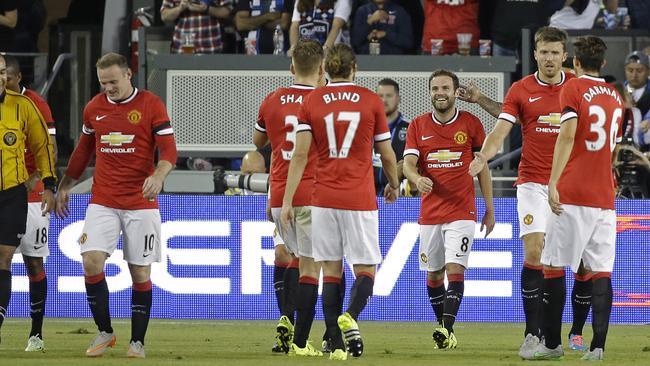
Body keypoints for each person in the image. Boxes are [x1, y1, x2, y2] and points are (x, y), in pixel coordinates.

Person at [463, 26, 595, 356]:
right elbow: (500, 131)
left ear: (565, 56)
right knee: (535, 253)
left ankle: (575, 331)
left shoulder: (578, 90)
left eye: (555, 52)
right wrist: (484, 156)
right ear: (534, 54)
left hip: (572, 186)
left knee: (580, 264)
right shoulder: (522, 90)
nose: (549, 58)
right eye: (543, 52)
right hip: (534, 183)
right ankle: (532, 333)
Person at [55, 53, 177, 358]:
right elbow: (83, 151)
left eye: (113, 81)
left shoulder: (151, 104)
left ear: (128, 75)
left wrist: (159, 174)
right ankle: (105, 331)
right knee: (90, 261)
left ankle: (137, 341)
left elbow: (169, 149)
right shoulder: (94, 108)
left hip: (141, 202)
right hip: (104, 200)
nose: (108, 88)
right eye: (102, 83)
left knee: (140, 272)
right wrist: (65, 184)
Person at [281, 44, 399, 360]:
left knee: (330, 271)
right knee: (366, 269)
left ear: (326, 70)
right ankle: (351, 317)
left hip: (322, 199)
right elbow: (386, 154)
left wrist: (289, 199)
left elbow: (301, 154)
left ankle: (335, 344)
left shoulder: (312, 101)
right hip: (358, 198)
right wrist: (394, 184)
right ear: (354, 68)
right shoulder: (371, 101)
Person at [531, 36, 622, 361]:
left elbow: (568, 135)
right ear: (605, 64)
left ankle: (552, 345)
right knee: (600, 273)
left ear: (576, 63)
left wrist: (553, 181)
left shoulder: (573, 88)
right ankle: (597, 348)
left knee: (553, 267)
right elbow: (611, 150)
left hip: (574, 193)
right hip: (604, 198)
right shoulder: (616, 96)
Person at [403, 69, 494, 349]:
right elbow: (407, 163)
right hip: (430, 213)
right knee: (433, 274)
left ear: (456, 92)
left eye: (444, 88)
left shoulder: (471, 123)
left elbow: (482, 168)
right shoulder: (418, 126)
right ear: (430, 93)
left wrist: (489, 207)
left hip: (462, 211)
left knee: (455, 269)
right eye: (434, 88)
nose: (439, 93)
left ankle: (445, 328)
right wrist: (417, 178)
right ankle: (446, 330)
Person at [254, 39, 327, 356]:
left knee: (290, 257)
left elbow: (259, 140)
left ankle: (285, 317)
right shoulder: (324, 102)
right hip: (314, 190)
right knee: (313, 268)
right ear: (322, 68)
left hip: (279, 191)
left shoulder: (272, 99)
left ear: (291, 67)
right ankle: (302, 339)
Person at [0, 53, 57, 346]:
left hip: (29, 197)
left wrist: (37, 183)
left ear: (17, 77)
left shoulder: (34, 104)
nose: (4, 81)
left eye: (6, 76)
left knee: (34, 263)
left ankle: (36, 333)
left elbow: (48, 147)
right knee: (4, 260)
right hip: (8, 191)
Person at [373, 78, 409, 194]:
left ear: (398, 99)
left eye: (389, 96)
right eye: (380, 96)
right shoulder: (366, 128)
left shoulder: (410, 128)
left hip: (399, 197)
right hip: (368, 197)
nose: (384, 100)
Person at [160, 0, 234, 54]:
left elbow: (228, 13)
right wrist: (180, 8)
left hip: (212, 47)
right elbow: (164, 16)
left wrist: (207, 9)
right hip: (184, 45)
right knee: (185, 71)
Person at [624, 50, 650, 116]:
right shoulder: (616, 92)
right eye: (630, 70)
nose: (634, 75)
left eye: (639, 71)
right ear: (625, 70)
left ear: (648, 72)